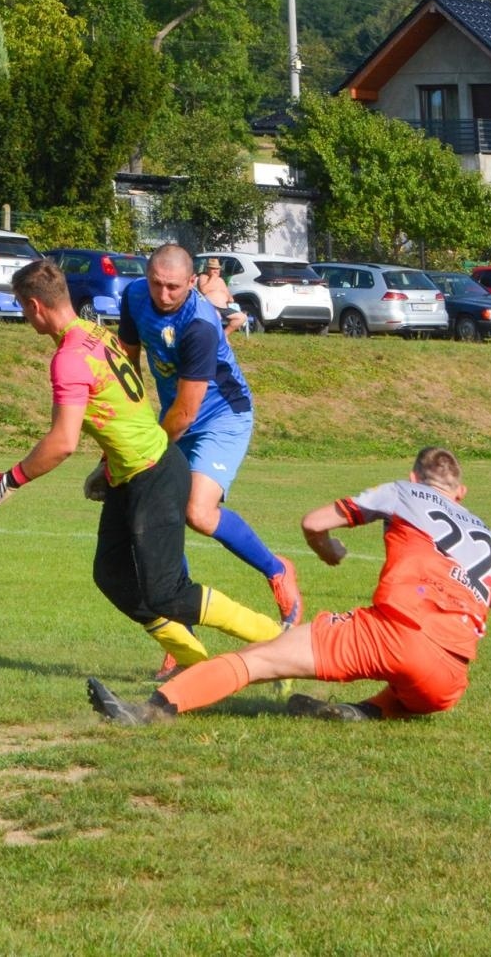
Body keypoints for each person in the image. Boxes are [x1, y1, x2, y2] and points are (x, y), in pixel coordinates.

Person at [87, 447, 491, 730]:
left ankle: (151, 710)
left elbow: (314, 521)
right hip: (449, 677)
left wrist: (327, 548)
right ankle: (360, 713)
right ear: (462, 494)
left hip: (394, 631)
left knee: (259, 659)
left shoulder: (402, 491)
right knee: (409, 686)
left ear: (414, 478)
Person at [0, 260, 283, 672]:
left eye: (24, 310)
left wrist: (6, 482)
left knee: (168, 593)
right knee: (112, 574)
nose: (26, 317)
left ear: (34, 306)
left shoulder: (68, 358)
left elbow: (62, 442)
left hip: (153, 472)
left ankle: (277, 639)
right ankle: (195, 662)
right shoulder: (94, 332)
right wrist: (107, 462)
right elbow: (122, 407)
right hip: (128, 471)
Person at [118, 245, 300, 679]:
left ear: (192, 281)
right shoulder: (133, 296)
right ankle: (183, 640)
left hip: (220, 417)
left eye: (174, 287)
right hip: (174, 415)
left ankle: (277, 569)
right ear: (147, 276)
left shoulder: (199, 324)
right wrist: (129, 420)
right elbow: (127, 359)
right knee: (162, 517)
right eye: (157, 284)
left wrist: (149, 450)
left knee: (196, 511)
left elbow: (188, 411)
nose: (163, 294)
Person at [193, 257, 246, 336]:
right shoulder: (204, 277)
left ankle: (224, 335)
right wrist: (213, 278)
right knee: (217, 315)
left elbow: (228, 295)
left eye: (217, 269)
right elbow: (203, 290)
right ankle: (215, 337)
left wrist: (229, 298)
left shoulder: (220, 280)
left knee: (242, 317)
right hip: (210, 307)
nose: (216, 271)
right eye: (213, 268)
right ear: (208, 269)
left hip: (224, 308)